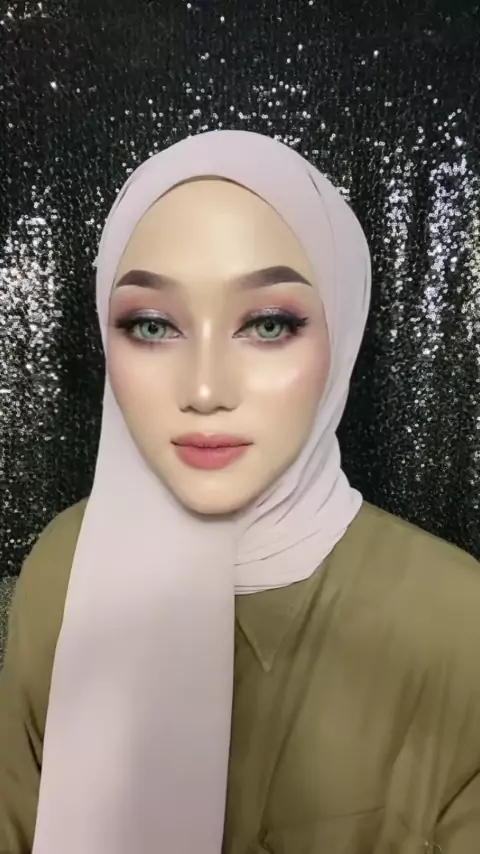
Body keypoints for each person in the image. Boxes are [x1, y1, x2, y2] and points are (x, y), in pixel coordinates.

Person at [0, 130, 479, 854]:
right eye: (152, 325)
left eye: (268, 324)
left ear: (343, 330)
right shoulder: (64, 569)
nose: (204, 390)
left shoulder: (457, 622)